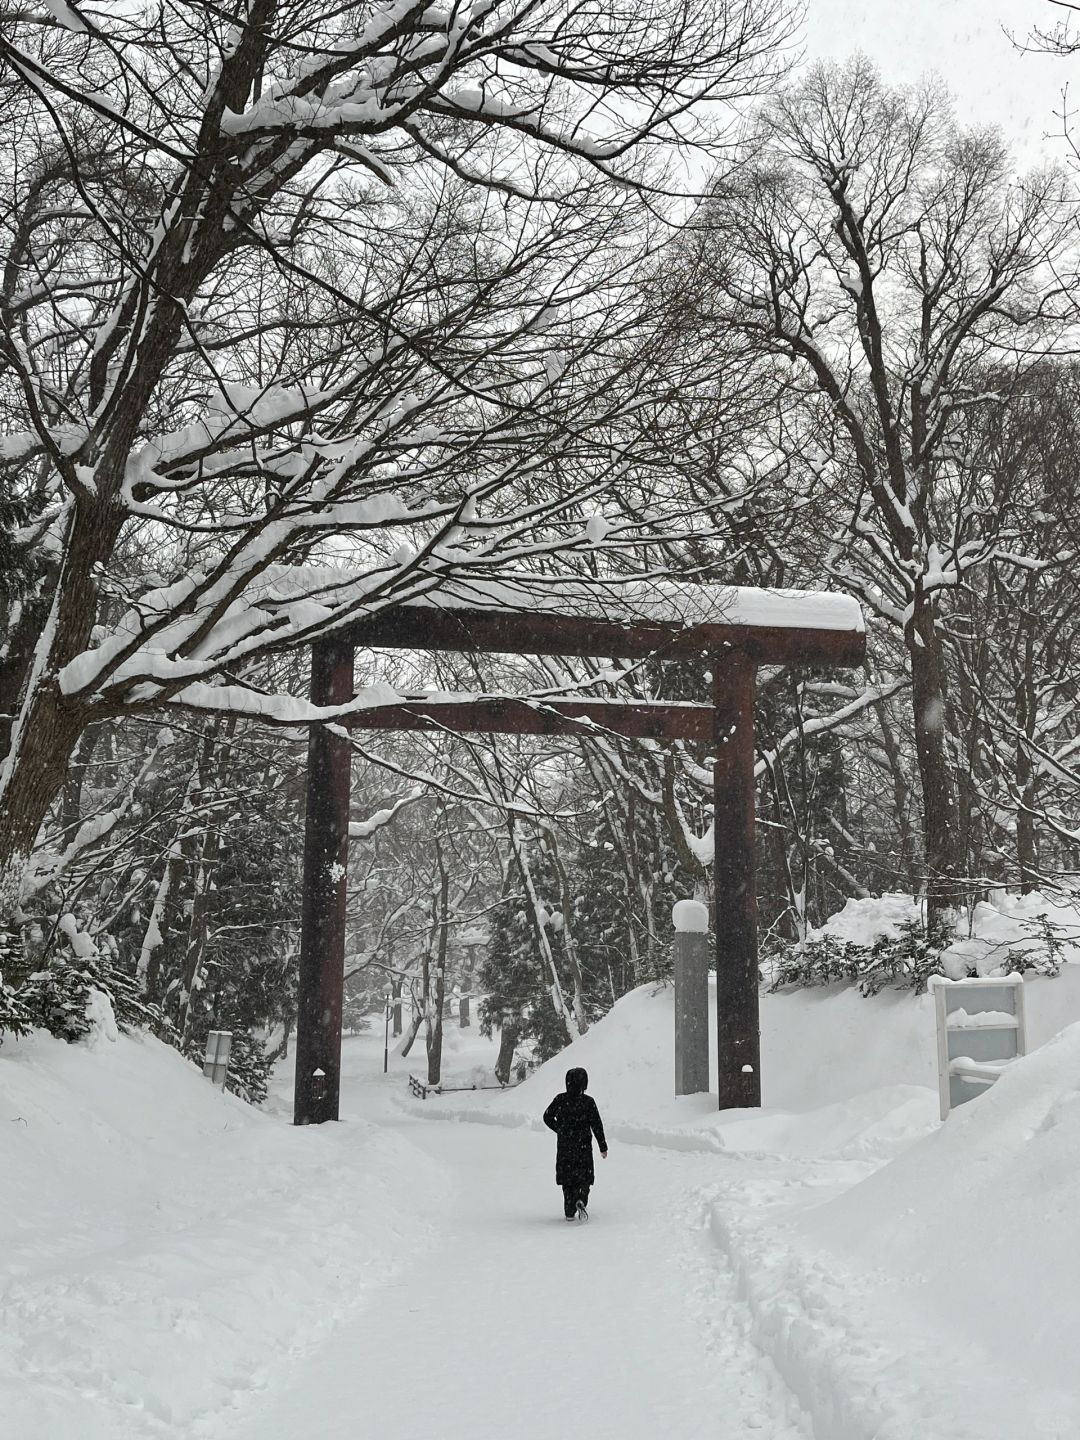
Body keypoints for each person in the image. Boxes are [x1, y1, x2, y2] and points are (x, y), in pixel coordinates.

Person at [542, 1066, 608, 1221]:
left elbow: (547, 1117)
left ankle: (569, 1211)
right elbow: (597, 1125)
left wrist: (560, 1129)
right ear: (584, 1083)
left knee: (567, 1180)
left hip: (565, 1147)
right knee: (584, 1178)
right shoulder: (588, 1102)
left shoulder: (560, 1100)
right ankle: (582, 1198)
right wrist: (602, 1146)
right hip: (583, 1147)